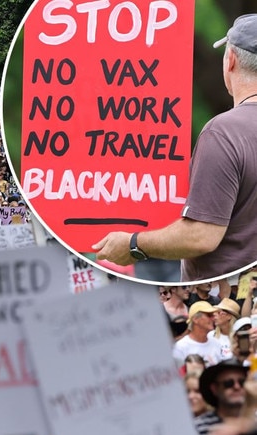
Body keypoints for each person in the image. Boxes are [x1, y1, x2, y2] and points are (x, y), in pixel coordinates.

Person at [93, 14, 257, 281]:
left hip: (220, 292)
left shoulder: (224, 133)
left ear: (231, 61)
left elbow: (202, 236)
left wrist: (134, 244)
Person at [194, 358, 248, 435]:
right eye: (228, 383)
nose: (237, 387)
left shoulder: (254, 422)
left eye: (242, 382)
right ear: (214, 389)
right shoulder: (197, 428)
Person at [172, 301, 224, 367]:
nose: (213, 318)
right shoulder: (180, 347)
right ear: (195, 319)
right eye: (209, 315)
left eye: (213, 315)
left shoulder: (216, 343)